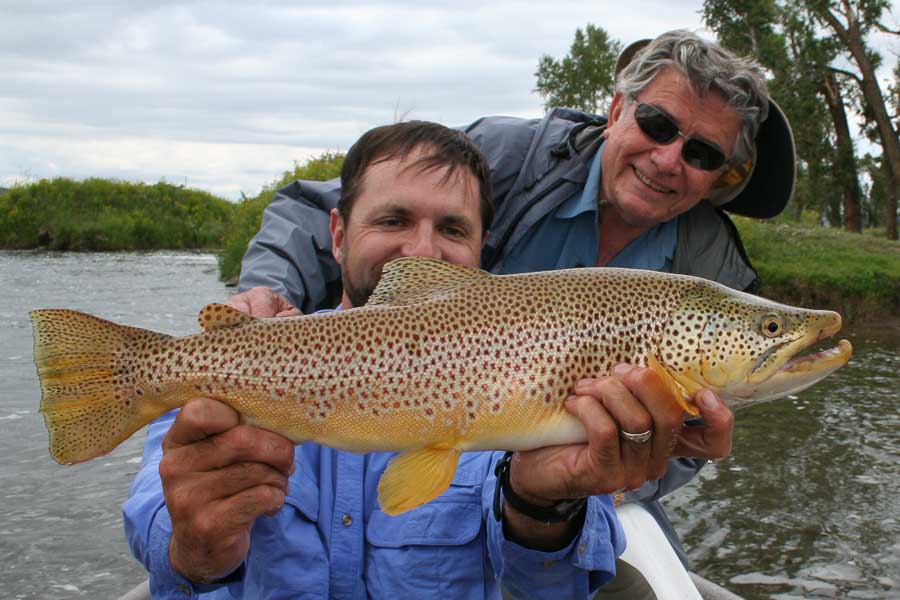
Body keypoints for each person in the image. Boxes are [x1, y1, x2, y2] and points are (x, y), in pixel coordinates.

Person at [232, 28, 796, 588]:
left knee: (630, 571)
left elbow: (693, 435)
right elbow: (337, 207)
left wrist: (614, 471)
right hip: (426, 400)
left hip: (565, 478)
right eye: (657, 125)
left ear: (720, 173)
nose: (669, 158)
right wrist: (264, 298)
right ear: (617, 108)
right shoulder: (507, 155)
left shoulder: (716, 271)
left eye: (701, 153)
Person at [124, 120, 699, 599]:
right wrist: (195, 548)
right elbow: (163, 551)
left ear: (479, 250)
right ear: (339, 233)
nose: (421, 249)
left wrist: (543, 505)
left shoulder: (542, 372)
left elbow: (552, 588)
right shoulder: (244, 358)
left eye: (452, 228)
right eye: (393, 220)